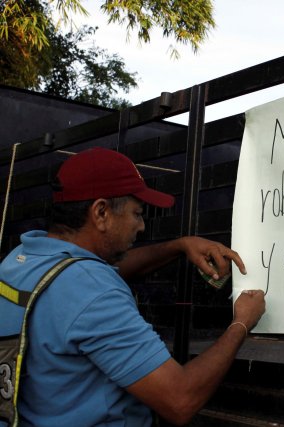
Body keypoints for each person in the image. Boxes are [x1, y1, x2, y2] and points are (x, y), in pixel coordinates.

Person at [0, 147, 265, 426]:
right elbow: (180, 399)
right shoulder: (92, 291)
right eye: (137, 213)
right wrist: (241, 323)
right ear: (101, 212)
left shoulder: (23, 260)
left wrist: (178, 245)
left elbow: (85, 282)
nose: (141, 226)